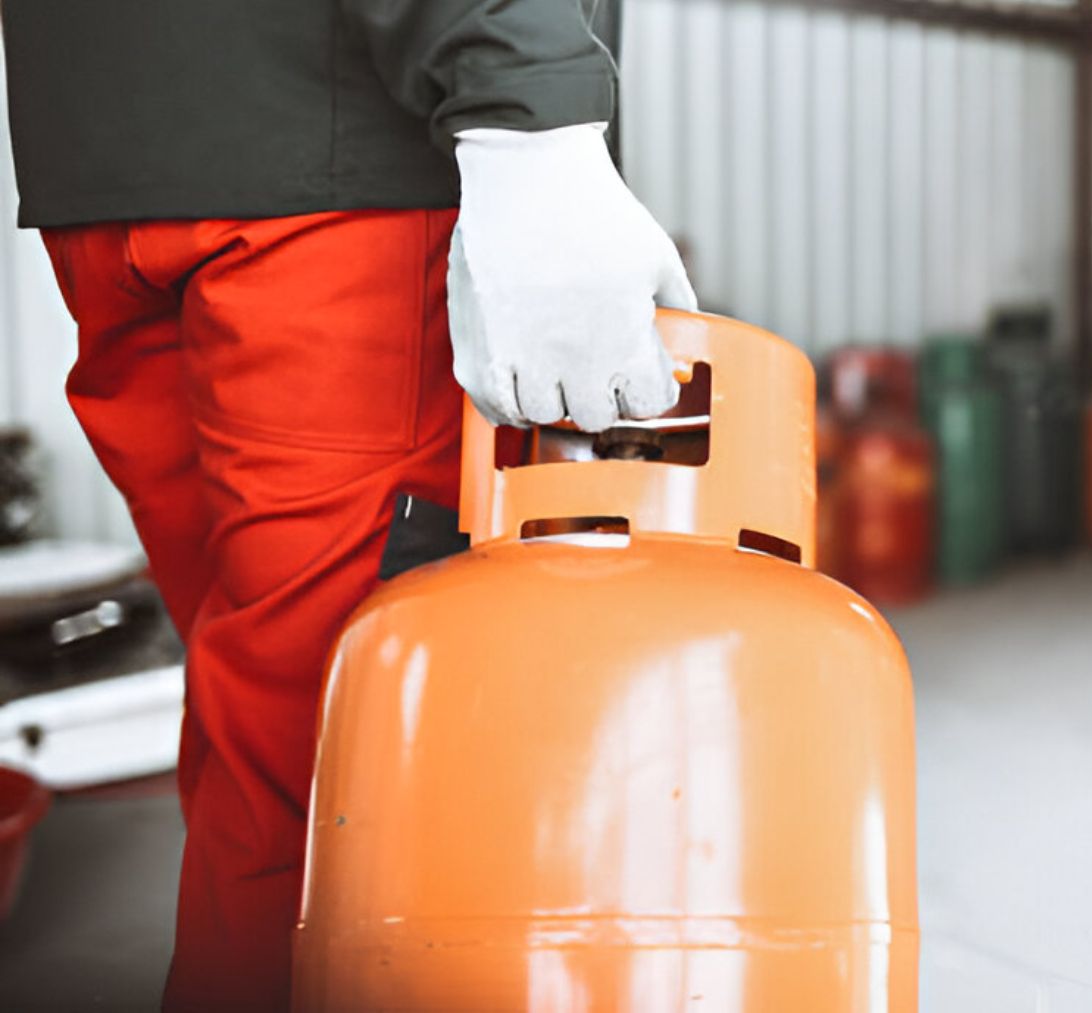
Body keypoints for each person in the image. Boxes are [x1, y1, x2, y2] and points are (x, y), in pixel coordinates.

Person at [1, 1, 691, 1007]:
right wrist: (527, 101)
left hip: (109, 172)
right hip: (334, 167)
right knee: (342, 777)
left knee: (263, 723)